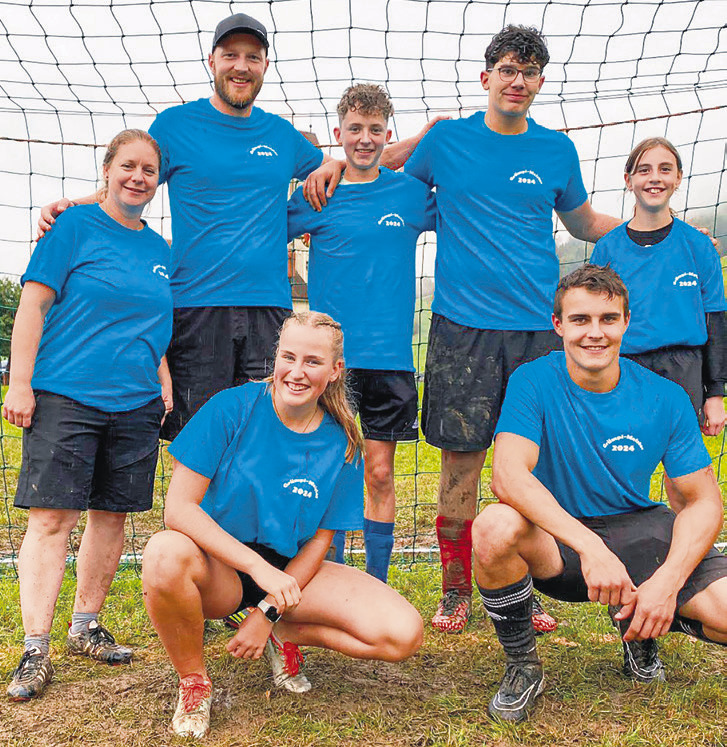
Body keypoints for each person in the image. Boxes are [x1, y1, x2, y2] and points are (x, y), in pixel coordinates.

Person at [37, 13, 442, 442]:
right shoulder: (175, 126)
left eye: (252, 56)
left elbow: (357, 165)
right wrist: (75, 204)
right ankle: (192, 510)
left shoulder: (282, 135)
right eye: (231, 55)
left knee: (263, 434)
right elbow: (136, 181)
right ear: (211, 61)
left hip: (268, 311)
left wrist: (410, 143)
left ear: (265, 66)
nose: (241, 66)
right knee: (198, 439)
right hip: (196, 304)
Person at [141, 311, 424, 739]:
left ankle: (280, 632)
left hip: (291, 575)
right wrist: (257, 570)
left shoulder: (344, 442)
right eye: (288, 357)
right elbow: (178, 510)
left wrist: (270, 610)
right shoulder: (230, 409)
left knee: (402, 635)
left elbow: (320, 543)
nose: (296, 372)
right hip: (220, 566)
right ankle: (194, 682)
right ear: (275, 357)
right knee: (163, 554)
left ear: (335, 371)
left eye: (312, 362)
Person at [472, 264, 727, 723]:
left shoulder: (665, 396)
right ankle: (523, 666)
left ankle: (642, 623)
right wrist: (590, 547)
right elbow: (507, 477)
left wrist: (665, 584)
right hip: (561, 543)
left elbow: (704, 501)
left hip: (640, 532)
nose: (595, 333)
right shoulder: (532, 380)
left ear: (626, 322)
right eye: (580, 320)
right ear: (558, 325)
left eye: (608, 319)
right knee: (493, 525)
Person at [3, 129, 173, 701]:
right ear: (107, 169)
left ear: (158, 181)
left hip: (134, 404)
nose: (138, 178)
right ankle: (34, 648)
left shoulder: (160, 251)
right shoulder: (72, 228)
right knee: (52, 521)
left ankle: (86, 626)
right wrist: (20, 384)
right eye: (128, 166)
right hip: (66, 397)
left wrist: (164, 380)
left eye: (149, 170)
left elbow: (156, 326)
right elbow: (33, 305)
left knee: (111, 517)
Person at [287, 84, 437, 582]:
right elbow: (263, 226)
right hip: (333, 364)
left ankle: (376, 582)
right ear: (339, 134)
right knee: (329, 476)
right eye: (355, 129)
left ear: (387, 134)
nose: (365, 139)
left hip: (391, 360)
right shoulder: (318, 194)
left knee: (378, 472)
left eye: (375, 130)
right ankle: (329, 577)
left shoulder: (411, 195)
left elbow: (468, 213)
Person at [590, 137, 727, 445]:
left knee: (683, 473)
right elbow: (593, 321)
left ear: (678, 178)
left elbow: (715, 319)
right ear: (629, 180)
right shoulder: (607, 249)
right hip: (623, 369)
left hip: (684, 370)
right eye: (644, 170)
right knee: (622, 463)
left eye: (665, 169)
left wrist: (715, 393)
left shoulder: (699, 246)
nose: (654, 177)